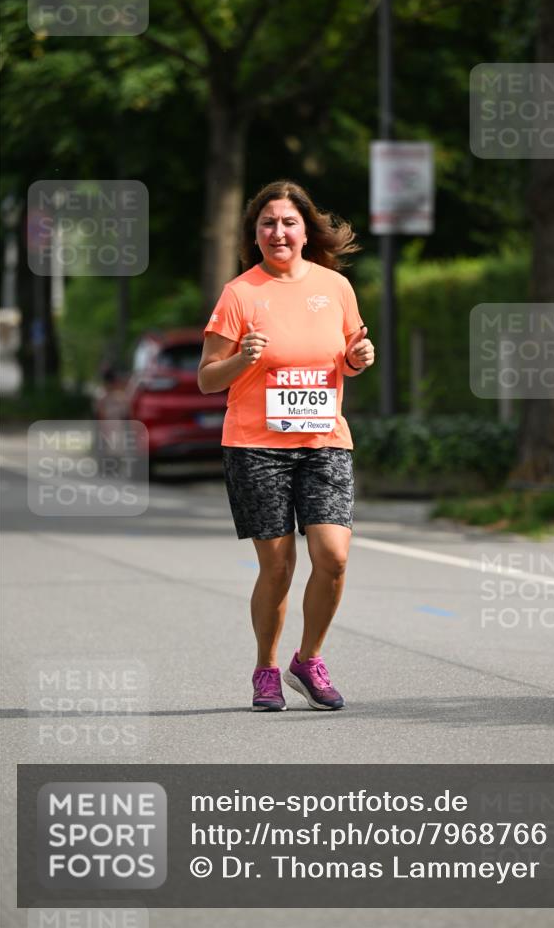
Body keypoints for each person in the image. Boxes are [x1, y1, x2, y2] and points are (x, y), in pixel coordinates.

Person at [198, 180, 375, 712]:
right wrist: (242, 359)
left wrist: (358, 359)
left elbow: (348, 355)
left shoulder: (335, 287)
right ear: (255, 234)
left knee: (333, 557)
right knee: (277, 567)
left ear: (305, 231)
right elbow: (207, 379)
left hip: (324, 441)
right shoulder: (240, 294)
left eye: (288, 222)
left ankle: (309, 659)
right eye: (268, 223)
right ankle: (266, 669)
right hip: (256, 447)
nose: (279, 232)